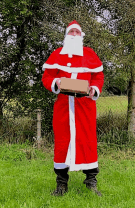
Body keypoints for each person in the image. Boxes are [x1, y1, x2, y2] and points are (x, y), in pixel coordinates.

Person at [42, 20, 104, 196]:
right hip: (63, 107)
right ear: (66, 35)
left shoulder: (90, 54)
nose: (75, 35)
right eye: (72, 32)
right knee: (62, 143)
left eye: (77, 32)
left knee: (88, 142)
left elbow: (98, 76)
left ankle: (91, 182)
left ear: (82, 35)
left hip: (85, 107)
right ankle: (61, 185)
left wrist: (94, 88)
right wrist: (56, 82)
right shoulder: (57, 54)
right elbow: (47, 77)